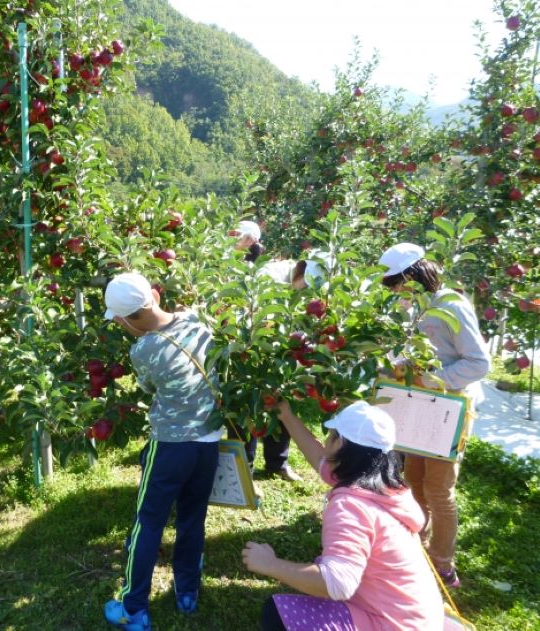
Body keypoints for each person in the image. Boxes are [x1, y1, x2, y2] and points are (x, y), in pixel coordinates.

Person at [243, 400, 445, 630]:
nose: (326, 441)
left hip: (390, 623)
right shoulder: (384, 488)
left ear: (341, 444)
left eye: (331, 436)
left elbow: (337, 583)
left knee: (278, 613)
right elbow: (320, 458)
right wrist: (286, 415)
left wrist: (271, 564)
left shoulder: (351, 507)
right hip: (418, 619)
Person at [102, 272, 223, 631]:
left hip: (170, 446)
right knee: (192, 517)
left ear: (123, 321)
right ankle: (187, 590)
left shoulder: (143, 350)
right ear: (155, 295)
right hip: (209, 443)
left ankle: (133, 606)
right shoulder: (198, 320)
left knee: (148, 523)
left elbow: (149, 386)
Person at [379, 242, 490, 588]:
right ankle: (416, 549)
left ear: (415, 276)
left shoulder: (451, 307)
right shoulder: (413, 307)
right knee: (413, 480)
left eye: (398, 282)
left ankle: (443, 564)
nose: (396, 290)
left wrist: (433, 378)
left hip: (448, 409)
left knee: (439, 489)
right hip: (420, 405)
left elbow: (479, 362)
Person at [230, 221, 322, 482]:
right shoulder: (270, 275)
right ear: (300, 270)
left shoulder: (309, 290)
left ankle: (277, 463)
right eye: (306, 282)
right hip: (255, 345)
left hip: (285, 351)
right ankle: (243, 467)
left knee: (282, 400)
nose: (307, 290)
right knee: (250, 405)